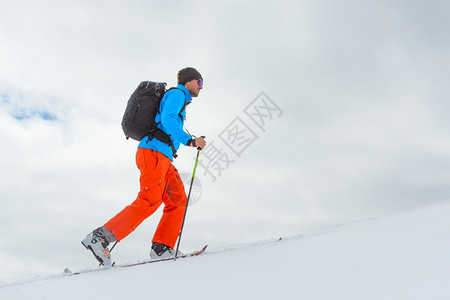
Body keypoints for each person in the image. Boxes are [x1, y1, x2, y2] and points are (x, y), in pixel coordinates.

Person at [81, 67, 207, 266]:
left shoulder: (180, 98)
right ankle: (100, 238)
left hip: (163, 157)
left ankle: (162, 248)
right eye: (200, 82)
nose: (201, 87)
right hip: (153, 153)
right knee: (149, 199)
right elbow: (168, 119)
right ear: (189, 81)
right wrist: (190, 141)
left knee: (178, 200)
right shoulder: (177, 94)